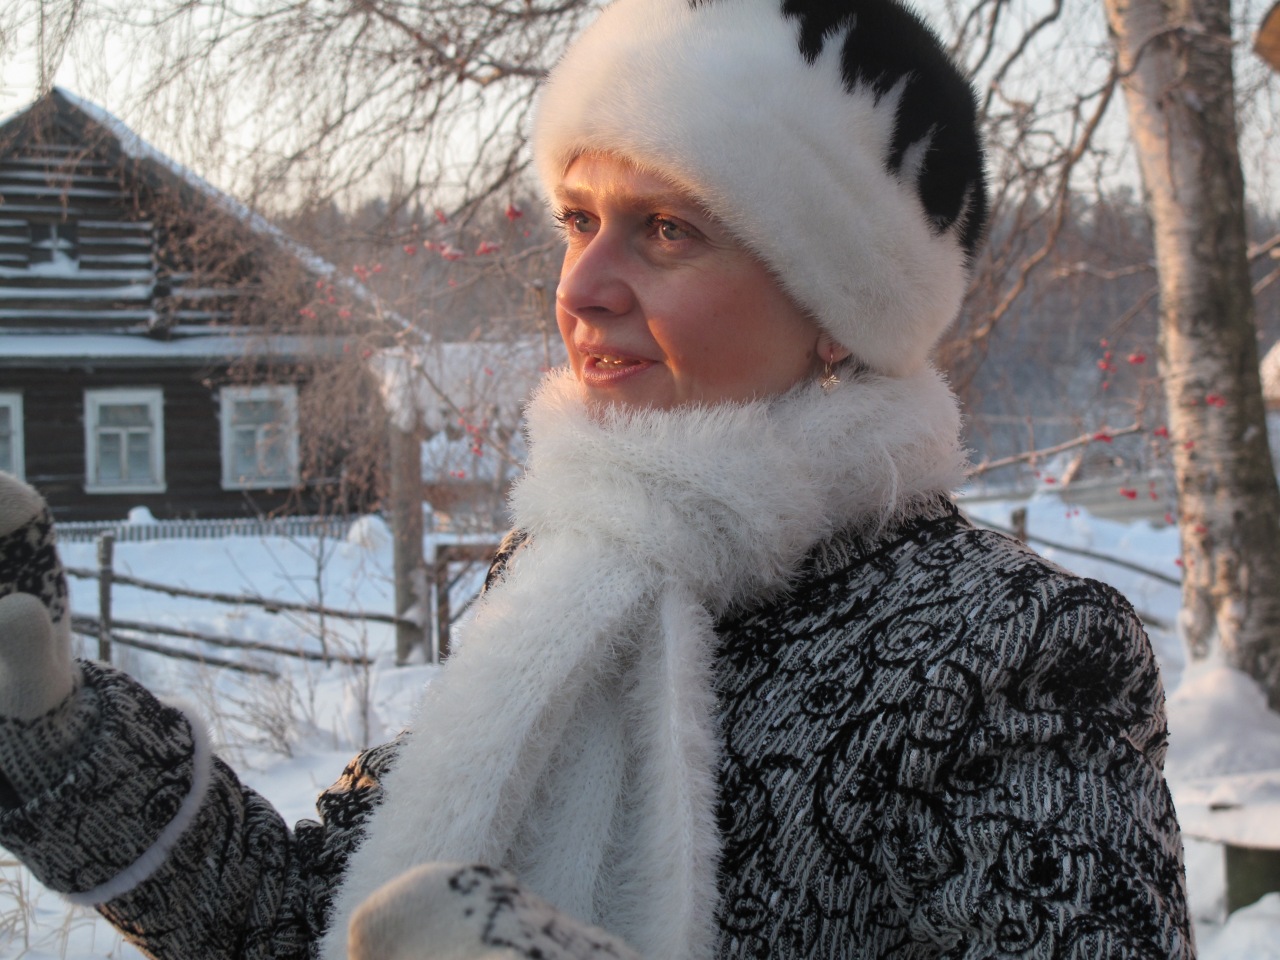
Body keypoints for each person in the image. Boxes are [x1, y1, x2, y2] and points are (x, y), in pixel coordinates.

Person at [0, 0, 1194, 956]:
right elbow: (319, 924)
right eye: (578, 219)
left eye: (667, 229)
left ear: (838, 309)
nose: (579, 288)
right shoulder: (569, 578)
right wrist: (55, 734)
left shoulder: (1007, 654)